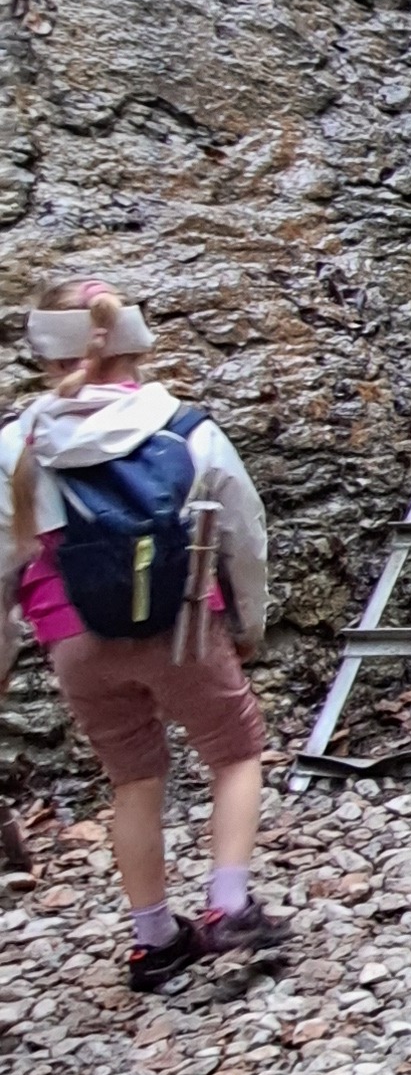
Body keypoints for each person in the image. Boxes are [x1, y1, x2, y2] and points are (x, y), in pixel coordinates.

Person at [1, 276, 280, 990]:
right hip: (183, 627)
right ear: (133, 343)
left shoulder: (16, 444)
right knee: (235, 752)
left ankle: (154, 938)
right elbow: (243, 538)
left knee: (133, 779)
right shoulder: (186, 430)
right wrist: (247, 623)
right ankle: (227, 907)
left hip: (75, 641)